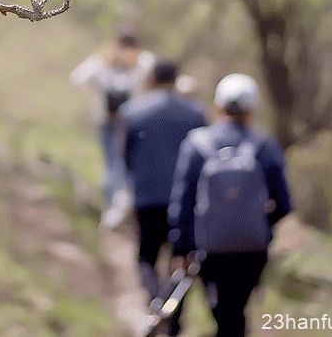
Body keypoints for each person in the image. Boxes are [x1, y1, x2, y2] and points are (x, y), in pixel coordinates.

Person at [169, 73, 292, 337]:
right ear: (252, 108)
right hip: (252, 249)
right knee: (234, 310)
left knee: (223, 310)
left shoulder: (196, 144)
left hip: (209, 248)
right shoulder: (264, 147)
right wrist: (261, 228)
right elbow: (283, 203)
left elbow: (183, 199)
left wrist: (181, 246)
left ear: (218, 105)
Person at [119, 59, 207, 336]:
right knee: (180, 260)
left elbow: (126, 157)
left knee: (146, 256)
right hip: (186, 202)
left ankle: (155, 300)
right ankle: (173, 320)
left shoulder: (133, 112)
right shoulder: (195, 114)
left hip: (148, 197)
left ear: (152, 79)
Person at [69, 27, 155, 222]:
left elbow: (151, 66)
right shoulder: (103, 63)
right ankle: (115, 207)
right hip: (109, 122)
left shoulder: (139, 65)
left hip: (129, 123)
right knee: (114, 165)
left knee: (123, 165)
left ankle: (122, 207)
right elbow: (78, 78)